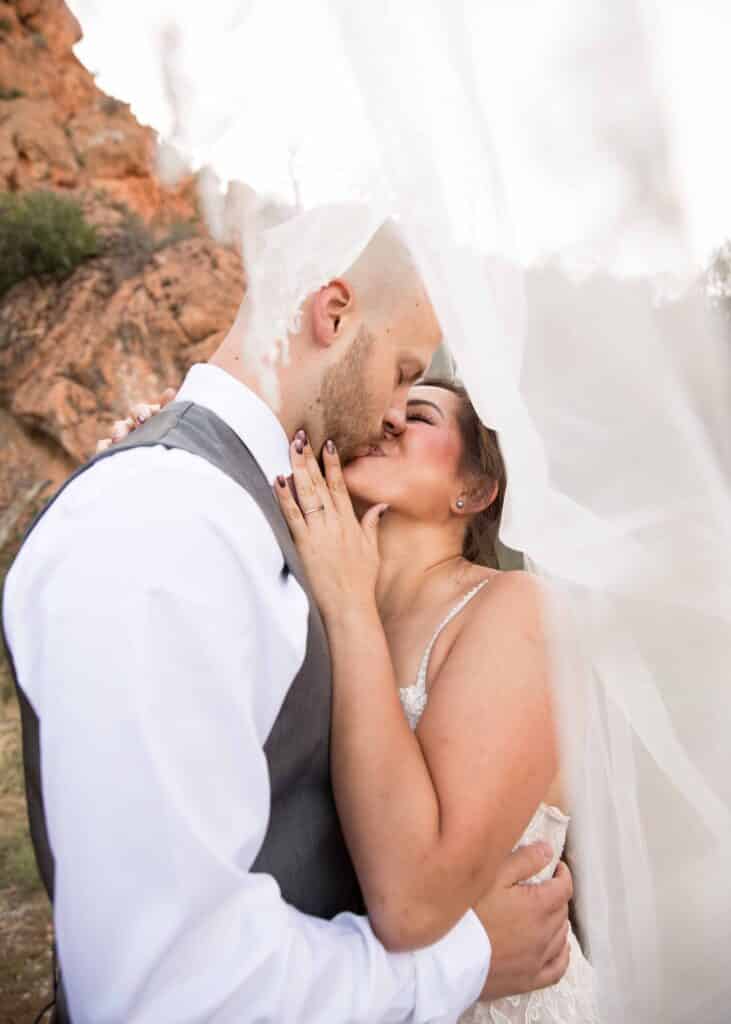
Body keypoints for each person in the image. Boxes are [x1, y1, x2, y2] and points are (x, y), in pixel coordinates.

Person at [2, 221, 572, 1024]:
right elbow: (165, 991)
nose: (389, 415)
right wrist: (460, 962)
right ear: (331, 315)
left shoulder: (252, 519)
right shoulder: (162, 520)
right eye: (401, 373)